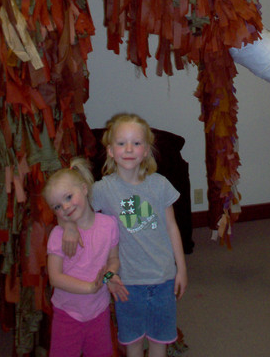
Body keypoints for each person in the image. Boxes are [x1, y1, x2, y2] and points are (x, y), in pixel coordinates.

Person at [63, 113, 188, 357]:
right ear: (110, 151)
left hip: (163, 278)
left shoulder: (160, 185)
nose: (129, 149)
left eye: (136, 143)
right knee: (131, 343)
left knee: (158, 343)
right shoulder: (102, 190)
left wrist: (181, 268)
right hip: (127, 283)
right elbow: (73, 210)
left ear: (146, 150)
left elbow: (173, 228)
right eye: (121, 143)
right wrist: (69, 226)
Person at [43, 157, 129, 357]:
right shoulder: (58, 235)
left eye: (68, 197)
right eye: (57, 206)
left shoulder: (108, 225)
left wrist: (108, 277)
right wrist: (90, 288)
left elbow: (113, 261)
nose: (65, 207)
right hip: (67, 314)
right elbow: (55, 278)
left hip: (99, 313)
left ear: (84, 188)